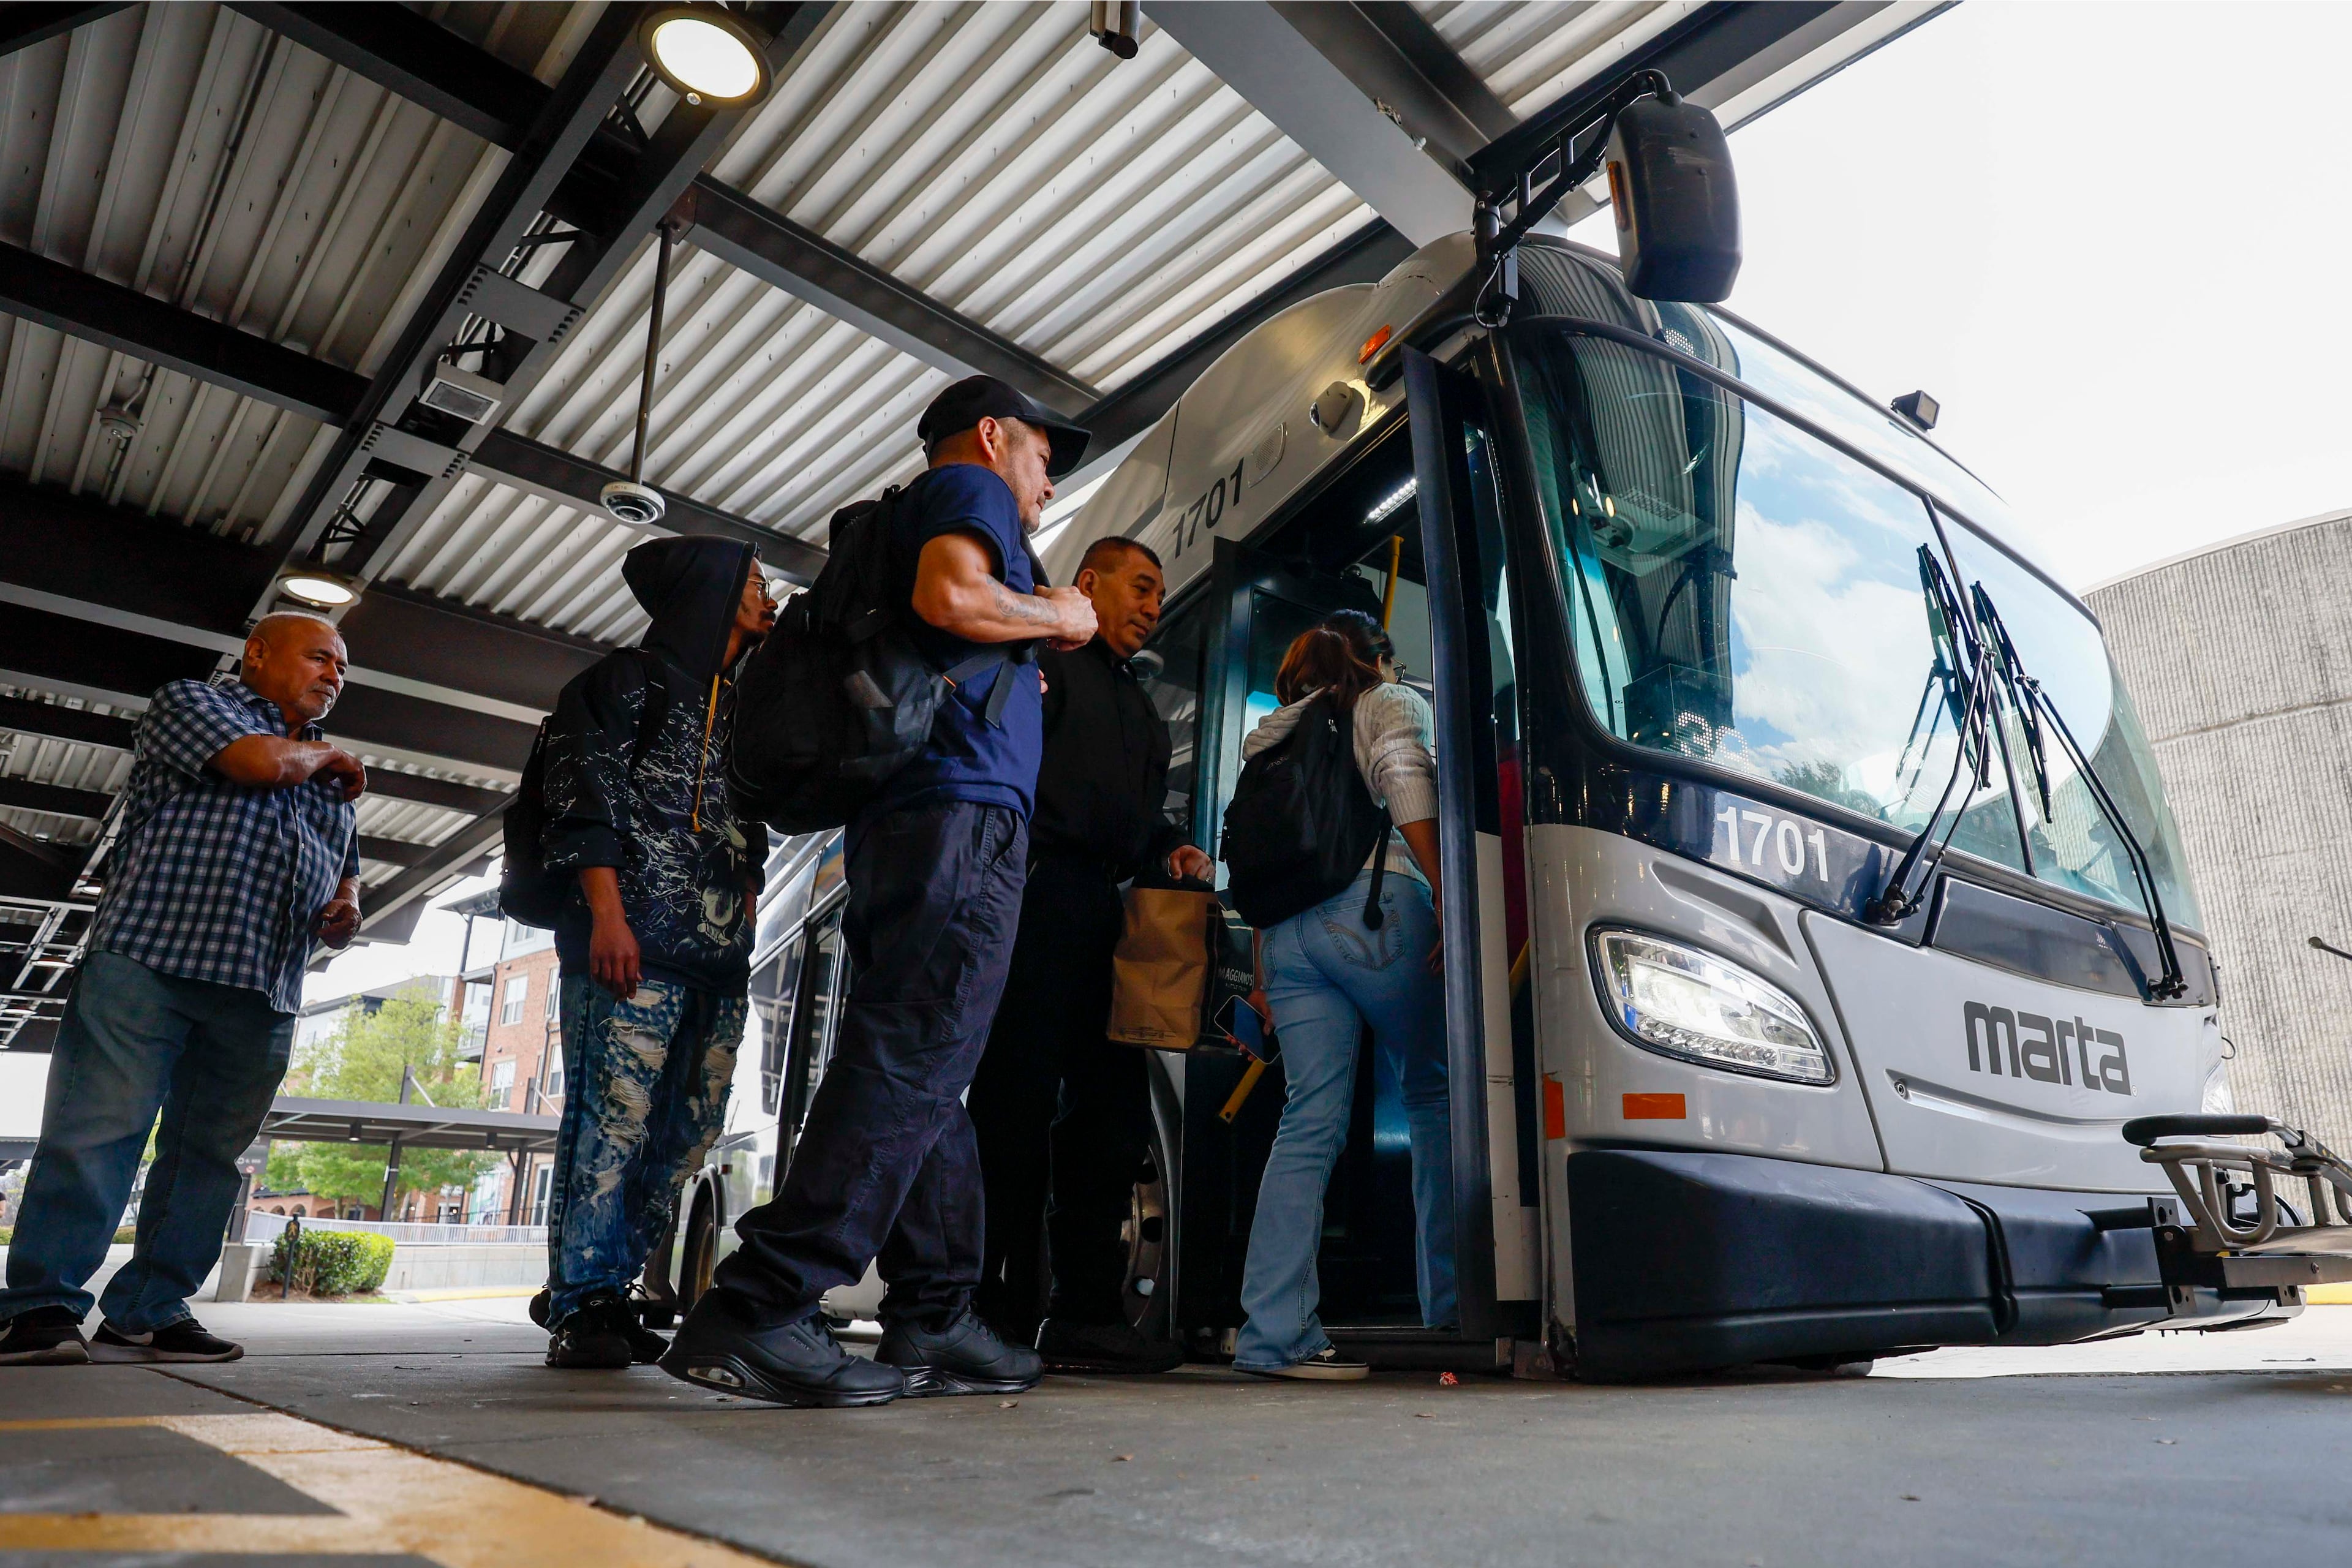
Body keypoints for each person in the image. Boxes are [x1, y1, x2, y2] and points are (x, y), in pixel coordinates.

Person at [662, 375, 1098, 1408]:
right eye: (1042, 456)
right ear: (994, 437)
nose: (1042, 483)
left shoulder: (930, 510)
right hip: (958, 814)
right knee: (914, 1055)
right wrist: (1058, 615)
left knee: (930, 1066)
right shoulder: (968, 491)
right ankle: (762, 1302)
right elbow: (951, 596)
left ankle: (934, 1316)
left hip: (924, 814)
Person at [0, 613, 364, 1365]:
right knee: (100, 1131)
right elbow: (258, 763)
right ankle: (39, 1307)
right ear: (258, 655)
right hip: (151, 959)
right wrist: (324, 753)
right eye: (320, 657)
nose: (334, 674)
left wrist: (347, 907)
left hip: (263, 984)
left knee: (208, 1157)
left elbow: (347, 867)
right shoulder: (194, 704)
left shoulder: (334, 786)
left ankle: (148, 1307)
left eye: (342, 668)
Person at [967, 536, 1213, 1373]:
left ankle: (1085, 1313)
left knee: (1109, 1122)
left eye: (1158, 593)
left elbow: (1139, 821)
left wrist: (1171, 849)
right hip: (1033, 895)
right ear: (1088, 585)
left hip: (1106, 914)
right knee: (1013, 1107)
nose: (1152, 605)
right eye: (1140, 587)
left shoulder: (1143, 710)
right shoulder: (1041, 666)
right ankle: (986, 1305)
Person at [530, 537, 777, 1368]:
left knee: (689, 1133)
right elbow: (582, 801)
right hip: (628, 945)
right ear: (707, 594)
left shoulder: (744, 708)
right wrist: (605, 915)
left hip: (719, 960)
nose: (768, 597)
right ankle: (581, 1302)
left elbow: (755, 823)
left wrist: (749, 882)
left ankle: (615, 1284)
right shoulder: (620, 682)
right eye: (753, 583)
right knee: (611, 1121)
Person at [1230, 614, 1455, 1381]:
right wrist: (1451, 892)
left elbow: (1263, 861)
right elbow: (1402, 774)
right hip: (1376, 911)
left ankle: (1272, 1336)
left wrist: (1262, 971)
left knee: (1306, 1126)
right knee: (1436, 1097)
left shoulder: (1266, 741)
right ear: (1376, 658)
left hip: (1287, 939)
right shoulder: (1383, 700)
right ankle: (1452, 1310)